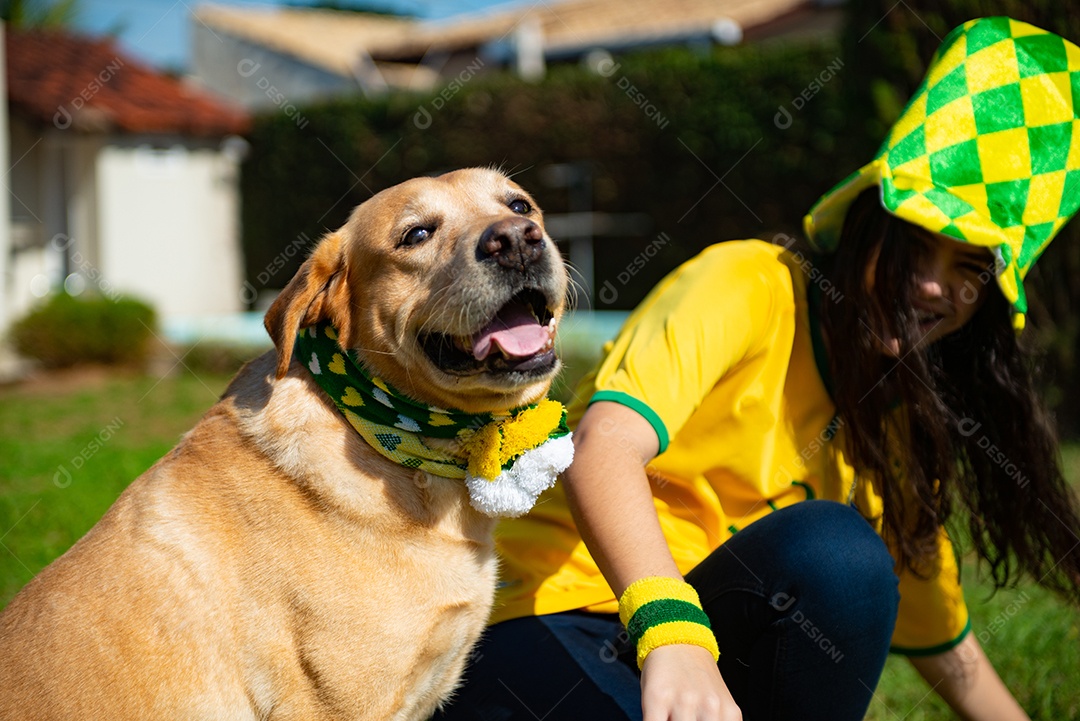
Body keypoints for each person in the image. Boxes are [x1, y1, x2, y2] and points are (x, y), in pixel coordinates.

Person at [434, 17, 1080, 721]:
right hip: (549, 620)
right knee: (836, 548)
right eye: (916, 244)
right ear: (867, 220)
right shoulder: (747, 283)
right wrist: (672, 632)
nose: (931, 284)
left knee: (844, 561)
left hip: (690, 651)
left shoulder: (896, 424)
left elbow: (943, 638)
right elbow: (602, 451)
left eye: (970, 268)